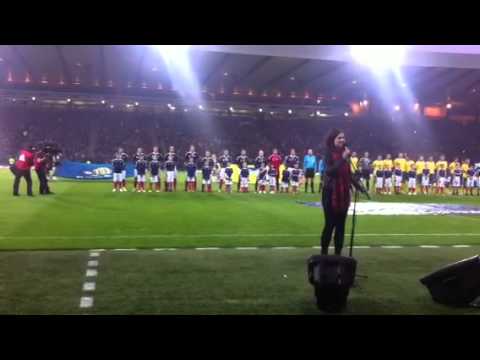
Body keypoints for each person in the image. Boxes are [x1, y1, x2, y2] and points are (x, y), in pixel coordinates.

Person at [320, 129, 366, 256]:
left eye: (343, 138)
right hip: (330, 193)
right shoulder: (328, 153)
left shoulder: (345, 155)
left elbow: (348, 174)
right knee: (330, 224)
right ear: (333, 139)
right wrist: (342, 158)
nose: (342, 140)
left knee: (341, 226)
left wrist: (358, 186)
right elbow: (330, 171)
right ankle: (324, 253)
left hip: (344, 193)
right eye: (339, 138)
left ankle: (338, 254)